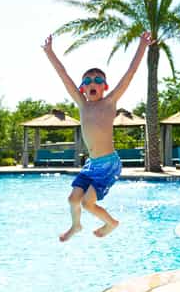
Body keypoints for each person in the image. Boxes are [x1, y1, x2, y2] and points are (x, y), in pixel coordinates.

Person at [42, 32, 155, 241]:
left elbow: (130, 74)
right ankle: (76, 226)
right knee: (73, 199)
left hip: (109, 163)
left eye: (97, 80)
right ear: (83, 88)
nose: (92, 82)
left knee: (87, 203)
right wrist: (50, 53)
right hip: (91, 164)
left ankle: (111, 223)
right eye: (87, 80)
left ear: (104, 87)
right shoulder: (82, 104)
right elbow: (63, 75)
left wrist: (142, 46)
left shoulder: (109, 102)